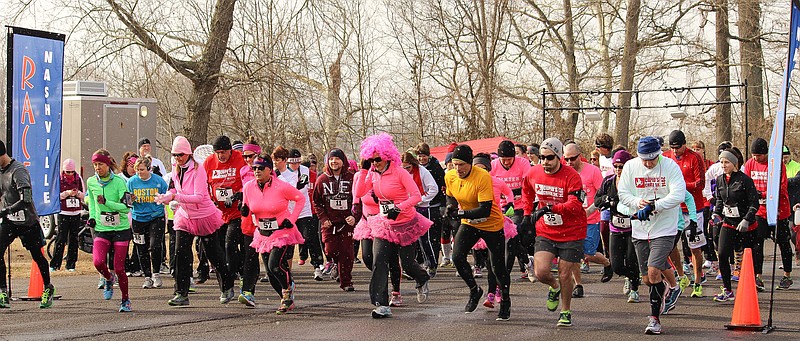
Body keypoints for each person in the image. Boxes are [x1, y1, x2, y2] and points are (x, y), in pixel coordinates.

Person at [353, 133, 432, 319]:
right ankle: (381, 304)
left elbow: (416, 197)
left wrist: (399, 207)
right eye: (371, 160)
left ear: (387, 156)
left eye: (378, 159)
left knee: (407, 264)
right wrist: (365, 170)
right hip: (384, 223)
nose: (375, 163)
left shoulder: (400, 172)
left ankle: (422, 278)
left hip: (406, 223)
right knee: (378, 261)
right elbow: (359, 193)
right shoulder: (371, 173)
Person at [617, 136, 687, 335]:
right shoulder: (630, 167)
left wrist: (655, 205)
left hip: (665, 227)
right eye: (644, 159)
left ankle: (654, 319)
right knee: (647, 278)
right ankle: (670, 287)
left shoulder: (670, 166)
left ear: (659, 153)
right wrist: (637, 202)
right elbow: (623, 193)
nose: (648, 163)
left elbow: (678, 194)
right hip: (640, 228)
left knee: (654, 271)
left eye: (652, 159)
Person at [155, 136, 235, 306]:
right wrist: (168, 197)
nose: (178, 158)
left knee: (214, 254)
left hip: (203, 216)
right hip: (185, 216)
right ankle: (181, 293)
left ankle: (227, 285)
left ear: (189, 154)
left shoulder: (198, 169)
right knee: (180, 254)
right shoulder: (176, 169)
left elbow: (198, 197)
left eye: (181, 155)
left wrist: (176, 196)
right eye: (175, 155)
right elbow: (176, 189)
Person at [521, 137, 587, 327]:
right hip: (547, 230)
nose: (545, 162)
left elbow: (575, 204)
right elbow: (527, 190)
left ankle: (565, 311)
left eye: (549, 158)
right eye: (541, 157)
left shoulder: (572, 176)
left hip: (572, 231)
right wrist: (527, 214)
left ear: (559, 157)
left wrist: (550, 207)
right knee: (541, 272)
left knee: (565, 274)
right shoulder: (533, 173)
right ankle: (554, 286)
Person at [444, 146, 512, 320]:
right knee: (457, 257)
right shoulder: (450, 175)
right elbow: (450, 196)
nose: (458, 169)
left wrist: (459, 213)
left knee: (497, 267)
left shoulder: (482, 177)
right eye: (455, 164)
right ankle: (475, 290)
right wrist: (450, 207)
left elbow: (485, 210)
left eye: (462, 165)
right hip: (469, 222)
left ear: (470, 164)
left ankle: (505, 301)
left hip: (491, 224)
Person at [242, 153, 306, 313]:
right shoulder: (248, 187)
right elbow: (248, 203)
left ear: (270, 170)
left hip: (282, 231)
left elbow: (300, 199)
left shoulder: (281, 186)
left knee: (275, 265)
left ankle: (287, 291)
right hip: (263, 233)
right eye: (254, 168)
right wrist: (244, 208)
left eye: (261, 168)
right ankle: (286, 297)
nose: (256, 171)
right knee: (270, 273)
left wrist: (292, 218)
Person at [0, 140, 56, 309]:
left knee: (37, 256)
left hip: (27, 221)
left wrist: (6, 210)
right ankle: (2, 290)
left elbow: (26, 199)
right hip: (10, 221)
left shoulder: (18, 171)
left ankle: (47, 287)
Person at [562, 143, 613, 299]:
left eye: (572, 159)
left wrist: (590, 209)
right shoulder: (564, 172)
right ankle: (578, 285)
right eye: (566, 159)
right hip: (571, 220)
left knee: (587, 254)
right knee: (574, 252)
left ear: (580, 156)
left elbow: (601, 195)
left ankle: (607, 263)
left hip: (591, 219)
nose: (569, 162)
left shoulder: (593, 171)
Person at [743, 138, 794, 291]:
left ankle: (787, 275)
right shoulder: (750, 164)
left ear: (765, 154)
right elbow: (745, 182)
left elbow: (782, 186)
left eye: (759, 155)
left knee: (783, 242)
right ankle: (758, 276)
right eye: (753, 155)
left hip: (779, 210)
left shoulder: (776, 164)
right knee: (757, 242)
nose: (755, 158)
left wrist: (764, 194)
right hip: (760, 211)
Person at [86, 149, 132, 312]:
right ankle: (107, 277)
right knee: (98, 262)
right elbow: (92, 201)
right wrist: (92, 216)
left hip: (121, 228)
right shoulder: (91, 182)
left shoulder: (119, 182)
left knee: (119, 268)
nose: (98, 168)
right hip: (101, 228)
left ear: (108, 164)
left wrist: (108, 203)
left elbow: (127, 208)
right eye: (95, 165)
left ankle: (125, 300)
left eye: (100, 164)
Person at [662, 130, 707, 297]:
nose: (675, 151)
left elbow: (700, 183)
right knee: (670, 244)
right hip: (673, 208)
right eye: (672, 148)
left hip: (693, 208)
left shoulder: (694, 158)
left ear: (684, 145)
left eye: (678, 148)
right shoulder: (666, 157)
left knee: (695, 246)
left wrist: (680, 186)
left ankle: (697, 279)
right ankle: (681, 275)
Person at [711, 150, 759, 301]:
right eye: (721, 162)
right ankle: (727, 290)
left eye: (727, 162)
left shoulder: (745, 180)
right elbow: (720, 200)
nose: (723, 165)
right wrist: (716, 213)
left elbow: (754, 203)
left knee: (748, 259)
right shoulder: (719, 180)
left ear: (734, 164)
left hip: (746, 225)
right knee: (723, 253)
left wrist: (746, 219)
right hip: (729, 222)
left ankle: (750, 288)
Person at [595, 150, 641, 303]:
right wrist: (607, 200)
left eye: (621, 166)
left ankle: (634, 287)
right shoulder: (608, 181)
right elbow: (597, 200)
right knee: (616, 265)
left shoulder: (635, 183)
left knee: (631, 259)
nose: (618, 169)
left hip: (633, 228)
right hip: (615, 227)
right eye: (615, 166)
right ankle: (630, 276)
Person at [314, 148, 360, 291]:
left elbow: (358, 200)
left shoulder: (351, 178)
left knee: (347, 253)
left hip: (347, 222)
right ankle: (334, 264)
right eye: (331, 159)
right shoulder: (322, 179)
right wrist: (323, 218)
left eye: (337, 159)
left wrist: (354, 216)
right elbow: (316, 202)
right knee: (330, 250)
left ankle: (346, 281)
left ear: (343, 161)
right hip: (329, 223)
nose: (334, 162)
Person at [204, 135, 248, 281]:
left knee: (231, 243)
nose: (221, 156)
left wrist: (238, 196)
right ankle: (236, 270)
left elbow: (248, 181)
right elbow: (204, 185)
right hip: (218, 212)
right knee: (220, 245)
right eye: (218, 153)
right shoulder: (209, 162)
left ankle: (234, 272)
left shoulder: (240, 159)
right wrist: (210, 201)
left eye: (224, 152)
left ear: (230, 150)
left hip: (237, 211)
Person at [491, 140, 534, 282]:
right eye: (504, 159)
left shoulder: (522, 163)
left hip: (518, 206)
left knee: (511, 237)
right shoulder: (493, 165)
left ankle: (505, 274)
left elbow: (528, 185)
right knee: (510, 239)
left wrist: (510, 191)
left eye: (510, 159)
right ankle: (527, 262)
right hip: (499, 207)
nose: (507, 162)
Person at [127, 156, 169, 289]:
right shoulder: (132, 182)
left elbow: (167, 195)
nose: (139, 172)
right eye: (137, 170)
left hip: (156, 217)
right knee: (141, 247)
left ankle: (156, 273)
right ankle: (147, 276)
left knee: (155, 245)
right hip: (138, 218)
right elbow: (127, 201)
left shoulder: (158, 181)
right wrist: (131, 200)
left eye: (142, 170)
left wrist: (162, 199)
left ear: (149, 169)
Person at [283, 148, 323, 281]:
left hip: (304, 209)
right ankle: (286, 270)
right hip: (288, 211)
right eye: (292, 163)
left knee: (309, 236)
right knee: (287, 240)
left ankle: (317, 265)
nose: (295, 166)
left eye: (297, 162)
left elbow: (303, 187)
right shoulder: (280, 173)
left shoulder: (305, 171)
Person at [401, 151, 439, 277]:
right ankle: (412, 266)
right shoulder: (400, 173)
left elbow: (433, 188)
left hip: (422, 208)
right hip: (407, 209)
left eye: (408, 167)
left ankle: (431, 264)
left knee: (424, 239)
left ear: (413, 164)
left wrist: (420, 200)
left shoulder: (422, 171)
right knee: (409, 239)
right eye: (403, 168)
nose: (406, 170)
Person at [236, 138, 263, 306]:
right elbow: (243, 188)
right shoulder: (243, 171)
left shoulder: (266, 170)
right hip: (248, 220)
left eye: (250, 156)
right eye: (244, 157)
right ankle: (248, 291)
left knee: (270, 261)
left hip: (265, 219)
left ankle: (286, 287)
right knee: (249, 256)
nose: (247, 160)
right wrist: (241, 200)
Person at [415, 142, 446, 274]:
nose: (422, 159)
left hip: (434, 206)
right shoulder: (414, 168)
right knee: (420, 236)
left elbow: (442, 186)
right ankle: (422, 260)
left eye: (424, 156)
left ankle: (433, 261)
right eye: (419, 156)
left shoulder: (435, 167)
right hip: (419, 205)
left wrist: (443, 205)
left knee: (433, 235)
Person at [50, 158, 85, 272]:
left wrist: (77, 194)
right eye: (67, 172)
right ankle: (55, 264)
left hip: (75, 212)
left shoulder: (78, 179)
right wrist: (67, 193)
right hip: (63, 212)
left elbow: (83, 194)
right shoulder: (58, 179)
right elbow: (55, 195)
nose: (70, 174)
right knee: (61, 238)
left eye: (71, 172)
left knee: (74, 238)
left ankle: (71, 264)